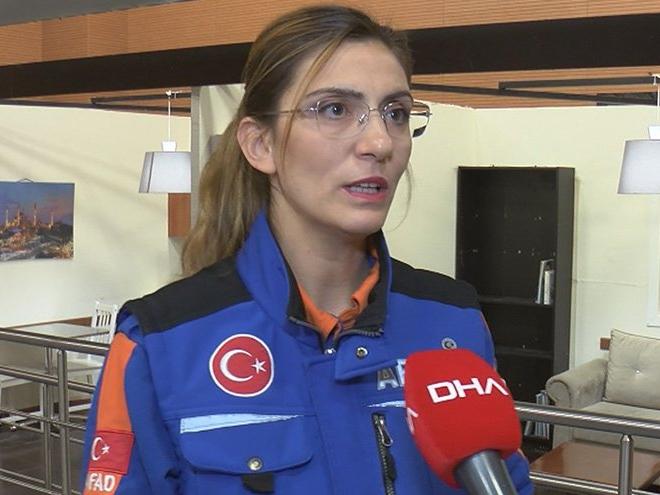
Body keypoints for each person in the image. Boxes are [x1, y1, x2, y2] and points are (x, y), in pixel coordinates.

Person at [80, 5, 533, 495]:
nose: (380, 142)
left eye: (396, 113)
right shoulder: (160, 342)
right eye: (335, 109)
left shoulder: (454, 322)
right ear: (260, 144)